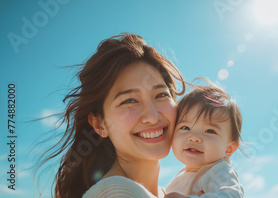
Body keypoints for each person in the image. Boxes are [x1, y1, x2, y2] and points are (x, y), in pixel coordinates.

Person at [36, 33, 186, 198]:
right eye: (129, 101)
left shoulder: (174, 192)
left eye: (161, 95)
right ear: (100, 124)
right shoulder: (115, 191)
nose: (152, 116)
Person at [164, 83, 244, 197]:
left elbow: (231, 195)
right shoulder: (183, 176)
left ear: (229, 149)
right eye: (185, 128)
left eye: (210, 131)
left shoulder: (219, 171)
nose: (194, 137)